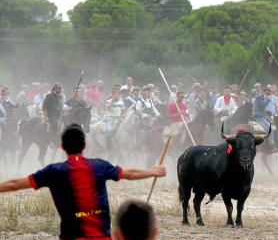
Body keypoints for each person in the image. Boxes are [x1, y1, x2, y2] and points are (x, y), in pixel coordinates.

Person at [0, 124, 166, 240]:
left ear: (62, 146)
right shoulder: (100, 166)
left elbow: (15, 184)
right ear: (84, 145)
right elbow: (129, 173)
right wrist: (153, 172)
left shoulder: (53, 171)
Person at [252, 87, 276, 152]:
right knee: (270, 129)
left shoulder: (263, 97)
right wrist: (268, 100)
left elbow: (263, 108)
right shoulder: (260, 96)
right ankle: (272, 146)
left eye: (269, 94)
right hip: (258, 117)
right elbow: (261, 105)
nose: (268, 95)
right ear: (263, 91)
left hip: (261, 116)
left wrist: (269, 114)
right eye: (267, 93)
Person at [42, 82, 64, 148]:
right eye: (59, 88)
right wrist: (46, 116)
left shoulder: (60, 96)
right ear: (55, 88)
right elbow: (44, 106)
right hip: (52, 114)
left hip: (59, 114)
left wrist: (62, 110)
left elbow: (60, 106)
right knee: (54, 124)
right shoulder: (49, 96)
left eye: (61, 88)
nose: (60, 90)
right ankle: (51, 141)